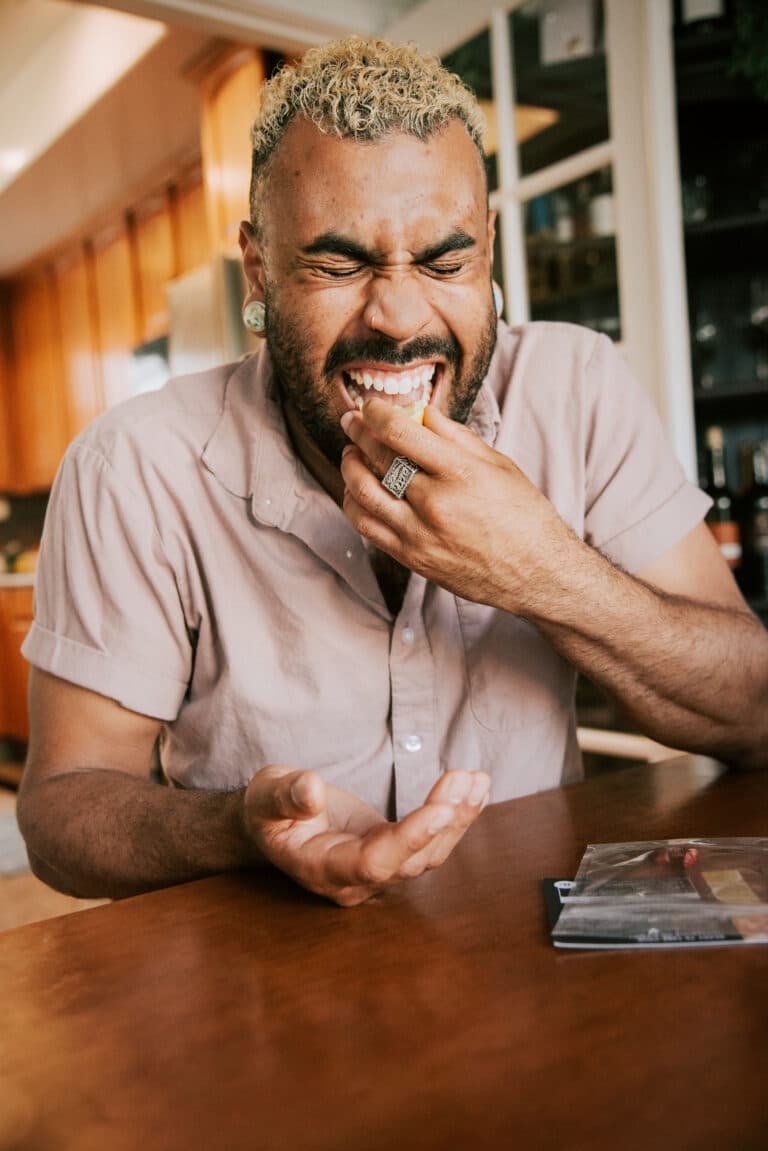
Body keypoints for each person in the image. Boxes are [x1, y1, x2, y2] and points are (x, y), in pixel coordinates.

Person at [17, 37, 767, 907]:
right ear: (259, 266)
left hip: (538, 970)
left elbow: (753, 709)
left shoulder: (578, 387)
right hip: (262, 989)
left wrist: (543, 570)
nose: (402, 316)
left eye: (446, 262)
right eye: (340, 263)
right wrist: (236, 830)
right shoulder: (134, 466)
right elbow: (61, 812)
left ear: (488, 248)